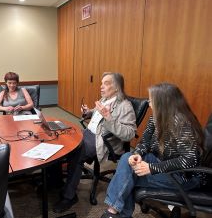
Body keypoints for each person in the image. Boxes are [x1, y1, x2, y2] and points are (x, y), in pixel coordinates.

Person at [101, 82, 204, 218]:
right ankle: (115, 212)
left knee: (127, 175)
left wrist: (152, 168)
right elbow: (144, 142)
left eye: (151, 100)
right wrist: (137, 154)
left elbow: (190, 160)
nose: (149, 103)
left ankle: (113, 212)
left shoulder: (181, 123)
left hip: (182, 176)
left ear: (163, 103)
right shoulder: (155, 118)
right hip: (161, 163)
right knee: (128, 159)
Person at [53, 72, 137, 213]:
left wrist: (109, 117)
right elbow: (96, 113)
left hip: (102, 140)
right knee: (59, 139)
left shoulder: (125, 106)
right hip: (88, 133)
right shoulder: (105, 99)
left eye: (106, 83)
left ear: (116, 87)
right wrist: (87, 112)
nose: (101, 86)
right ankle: (54, 181)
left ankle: (69, 196)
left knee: (76, 152)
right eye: (101, 83)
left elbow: (129, 133)